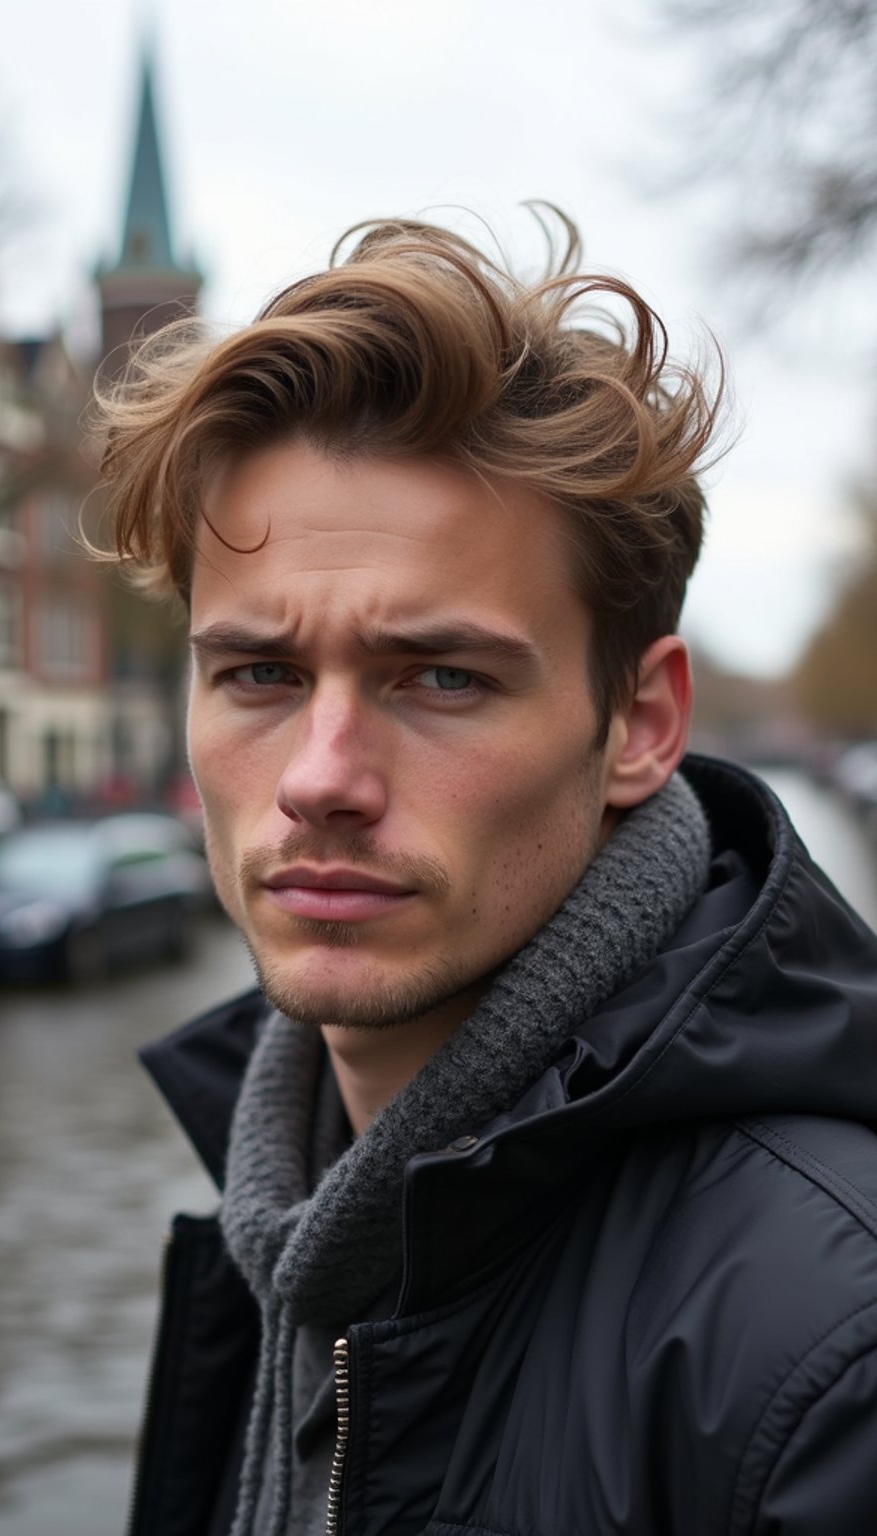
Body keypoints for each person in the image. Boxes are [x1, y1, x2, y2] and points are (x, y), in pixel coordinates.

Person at [96, 211, 877, 1536]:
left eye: (442, 675)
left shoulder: (824, 1362)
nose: (317, 775)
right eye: (260, 675)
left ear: (638, 724)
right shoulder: (276, 1222)